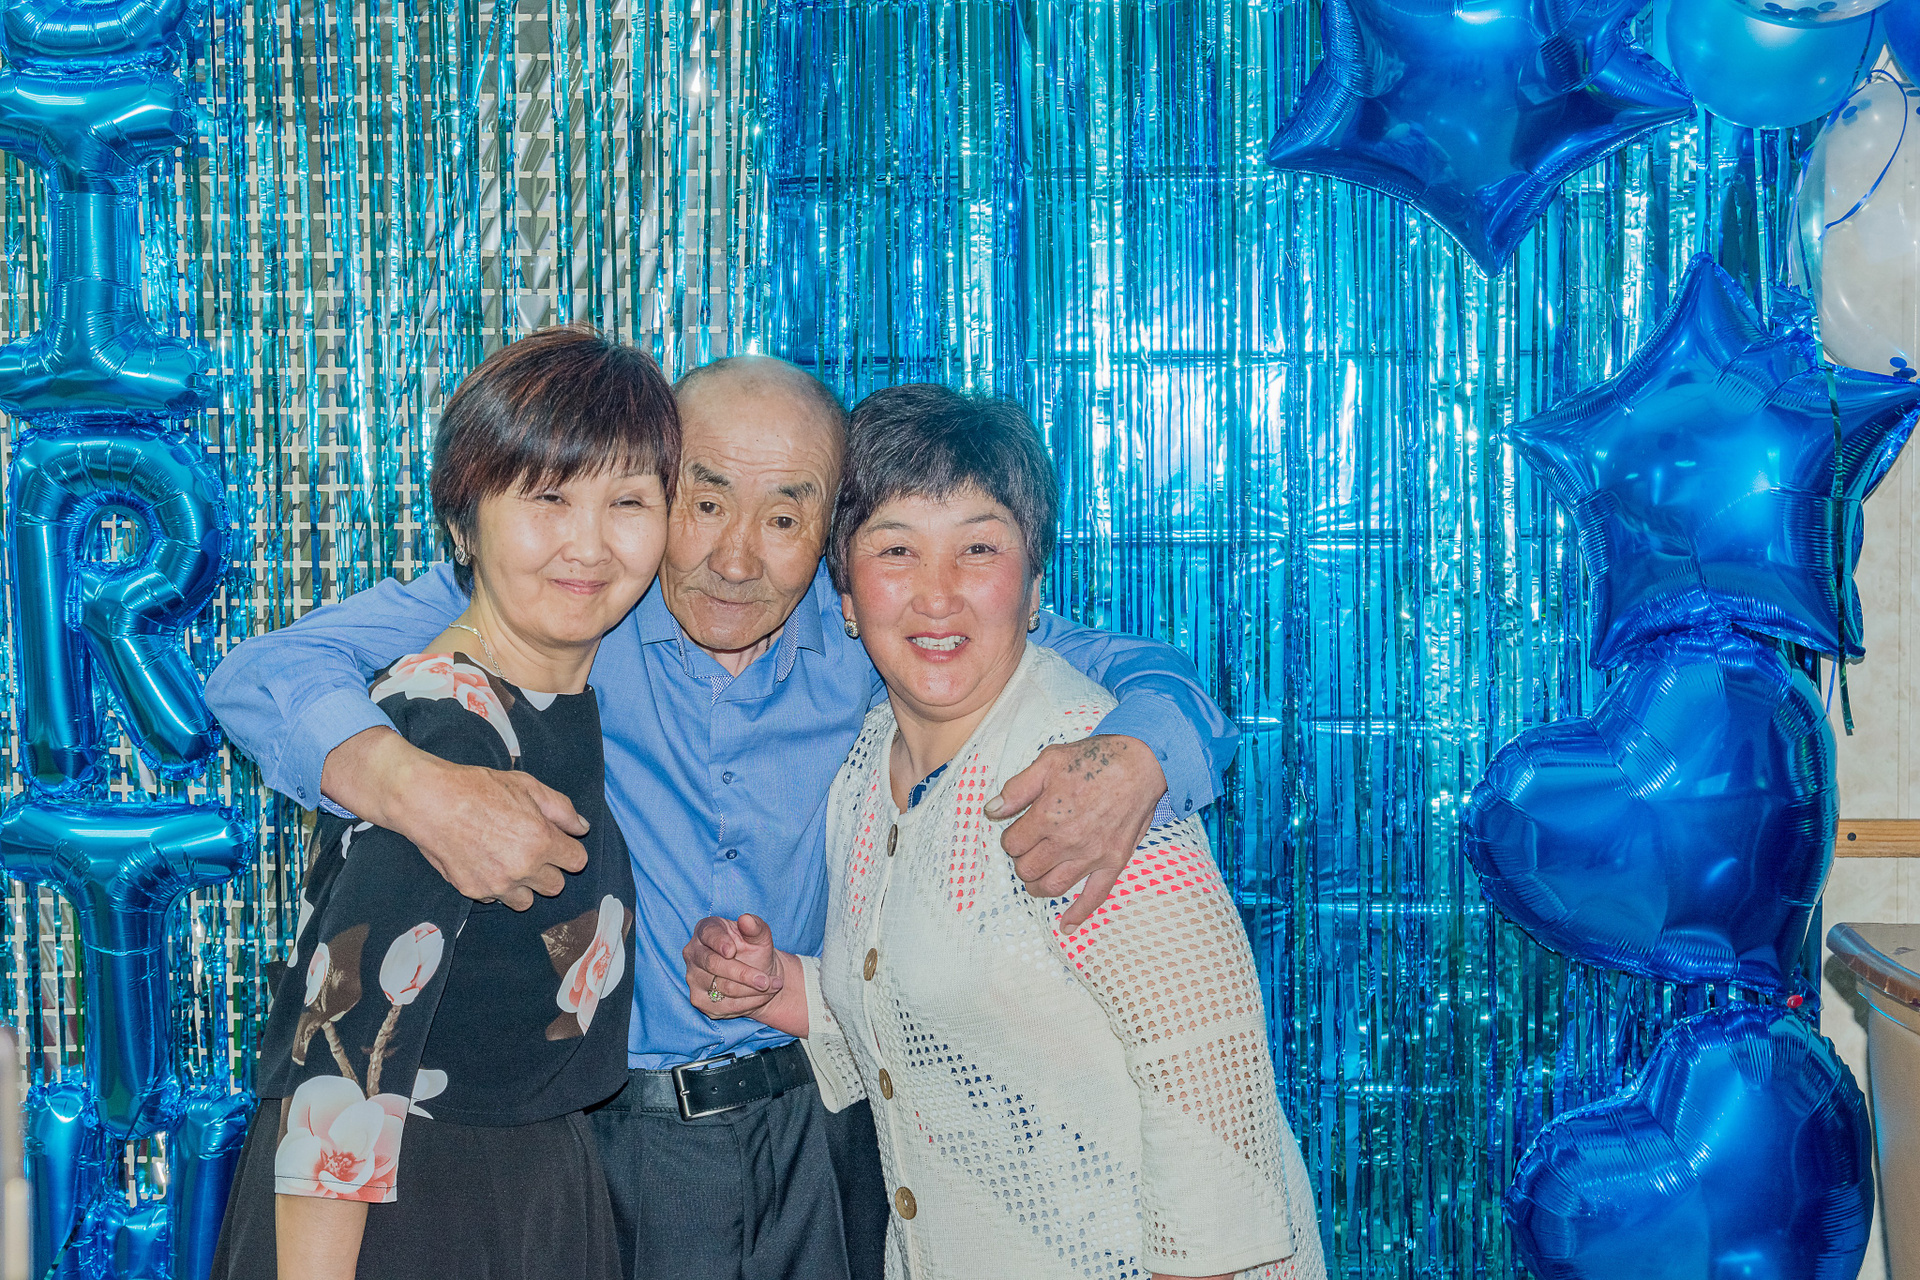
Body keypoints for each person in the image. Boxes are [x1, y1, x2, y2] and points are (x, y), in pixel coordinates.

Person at [205, 355, 1240, 1280]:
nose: (737, 560)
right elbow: (263, 672)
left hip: (826, 1123)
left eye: (785, 518)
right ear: (660, 490)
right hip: (604, 1142)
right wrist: (412, 784)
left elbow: (1143, 672)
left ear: (831, 535)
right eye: (703, 504)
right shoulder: (573, 604)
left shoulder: (877, 625)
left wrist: (1141, 754)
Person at [686, 384, 1324, 1280]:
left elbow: (1208, 1093)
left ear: (1033, 588)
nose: (937, 594)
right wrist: (779, 985)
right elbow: (929, 1004)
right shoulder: (867, 770)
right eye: (896, 549)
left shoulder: (1085, 780)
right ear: (845, 591)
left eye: (978, 548)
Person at [212, 326, 680, 1279]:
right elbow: (339, 1059)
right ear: (464, 524)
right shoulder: (447, 724)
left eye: (628, 501)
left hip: (527, 1187)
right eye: (547, 497)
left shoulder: (553, 701)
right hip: (415, 1211)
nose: (590, 544)